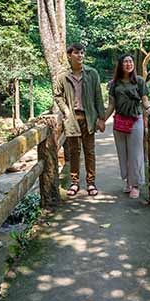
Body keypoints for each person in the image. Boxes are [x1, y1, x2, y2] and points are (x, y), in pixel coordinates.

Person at [53, 43, 106, 197]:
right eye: (76, 53)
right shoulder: (63, 77)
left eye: (82, 53)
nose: (80, 55)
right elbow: (57, 95)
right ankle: (74, 183)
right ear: (69, 55)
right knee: (74, 152)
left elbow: (98, 97)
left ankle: (91, 183)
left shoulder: (92, 73)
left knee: (89, 152)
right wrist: (65, 110)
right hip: (72, 119)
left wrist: (101, 118)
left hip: (89, 118)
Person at [104, 54, 150, 199]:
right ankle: (128, 181)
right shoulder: (115, 83)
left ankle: (136, 185)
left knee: (136, 153)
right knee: (123, 153)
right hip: (120, 121)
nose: (128, 64)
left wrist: (149, 108)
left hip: (135, 120)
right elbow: (111, 105)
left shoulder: (139, 81)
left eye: (130, 61)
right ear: (121, 65)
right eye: (125, 62)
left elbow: (145, 100)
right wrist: (102, 120)